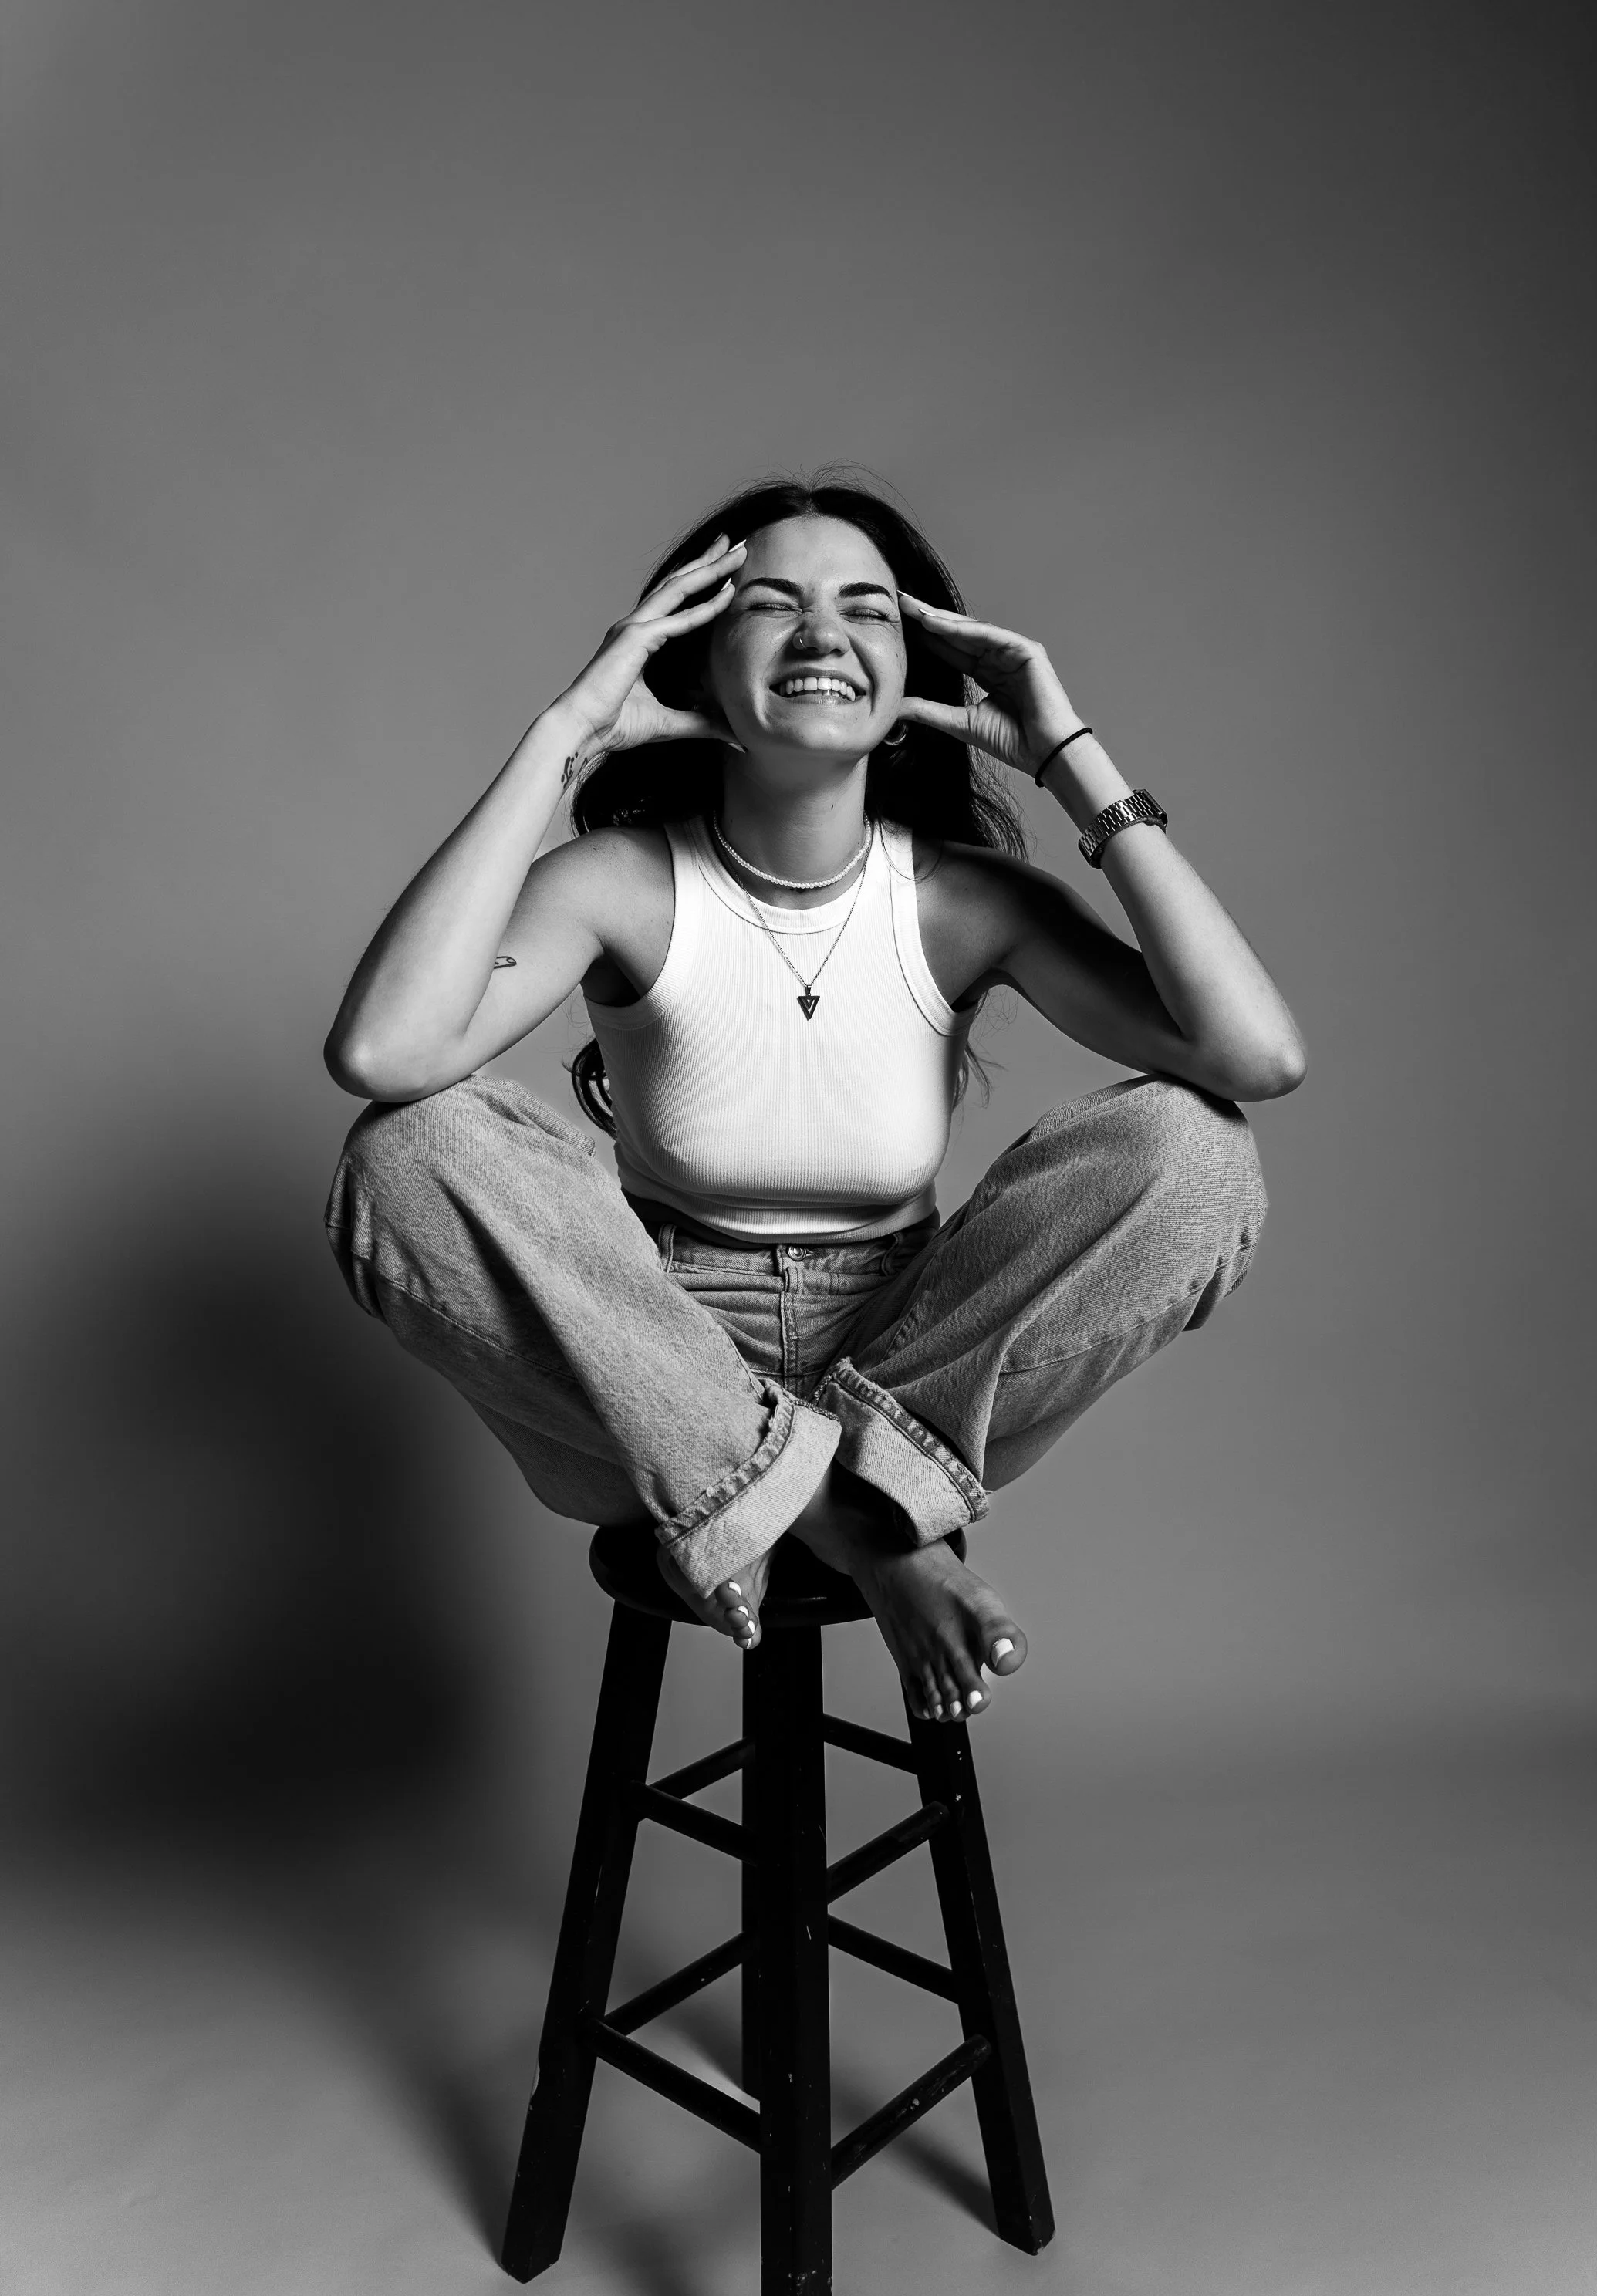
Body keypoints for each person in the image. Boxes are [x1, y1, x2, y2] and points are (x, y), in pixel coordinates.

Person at [322, 471, 1305, 1726]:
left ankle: (791, 1493)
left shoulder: (968, 900)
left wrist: (1070, 760)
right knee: (407, 1147)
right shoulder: (618, 881)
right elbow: (384, 1053)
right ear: (695, 661)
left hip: (919, 1357)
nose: (822, 634)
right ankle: (865, 1524)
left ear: (910, 680)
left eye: (867, 609)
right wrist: (563, 732)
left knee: (1195, 1147)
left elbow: (1253, 1059)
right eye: (771, 604)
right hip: (643, 1359)